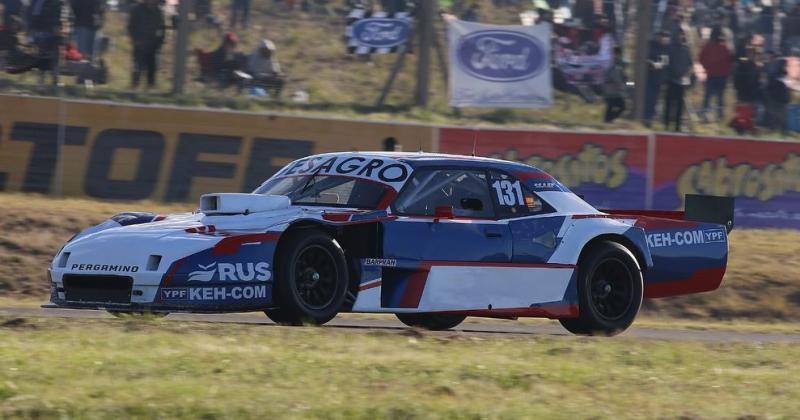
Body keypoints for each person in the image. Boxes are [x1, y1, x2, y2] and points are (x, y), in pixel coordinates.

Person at [127, 0, 165, 89]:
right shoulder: (137, 9)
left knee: (152, 68)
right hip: (140, 43)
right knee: (137, 66)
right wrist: (135, 39)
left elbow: (161, 28)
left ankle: (150, 87)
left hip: (153, 44)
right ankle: (134, 86)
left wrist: (159, 42)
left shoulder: (158, 11)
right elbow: (131, 26)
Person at [699, 27, 733, 121]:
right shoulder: (719, 46)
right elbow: (701, 59)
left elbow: (730, 61)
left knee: (715, 97)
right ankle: (709, 115)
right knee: (712, 96)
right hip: (714, 75)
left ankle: (716, 115)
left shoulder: (724, 47)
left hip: (718, 75)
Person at [27, 0, 63, 85]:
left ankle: (54, 79)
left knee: (54, 55)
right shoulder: (37, 2)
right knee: (43, 55)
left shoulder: (57, 2)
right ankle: (41, 81)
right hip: (42, 31)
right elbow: (32, 15)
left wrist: (58, 27)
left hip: (51, 31)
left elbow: (59, 14)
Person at [663, 30, 693, 132]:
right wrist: (669, 74)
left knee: (680, 105)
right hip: (671, 80)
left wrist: (686, 74)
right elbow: (666, 63)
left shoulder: (686, 49)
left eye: (682, 34)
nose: (681, 36)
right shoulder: (670, 48)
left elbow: (690, 64)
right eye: (679, 34)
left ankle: (677, 126)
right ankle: (666, 125)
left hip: (682, 81)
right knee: (669, 103)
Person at [645, 30, 670, 126]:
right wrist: (650, 63)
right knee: (648, 99)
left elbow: (665, 63)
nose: (663, 38)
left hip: (658, 80)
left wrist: (658, 65)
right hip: (647, 78)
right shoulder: (651, 45)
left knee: (654, 101)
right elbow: (643, 57)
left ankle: (649, 120)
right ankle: (645, 118)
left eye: (665, 36)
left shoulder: (666, 48)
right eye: (661, 36)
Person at [603, 46, 626, 123]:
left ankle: (607, 121)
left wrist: (631, 84)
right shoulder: (616, 66)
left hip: (609, 91)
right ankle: (609, 120)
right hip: (614, 92)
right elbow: (619, 81)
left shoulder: (613, 64)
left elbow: (624, 80)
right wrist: (631, 85)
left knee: (610, 107)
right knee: (622, 107)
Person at [766, 60, 790, 133]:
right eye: (785, 65)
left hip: (780, 100)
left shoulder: (784, 76)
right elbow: (770, 87)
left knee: (780, 116)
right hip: (777, 99)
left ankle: (780, 130)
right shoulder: (777, 76)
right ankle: (776, 129)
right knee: (776, 116)